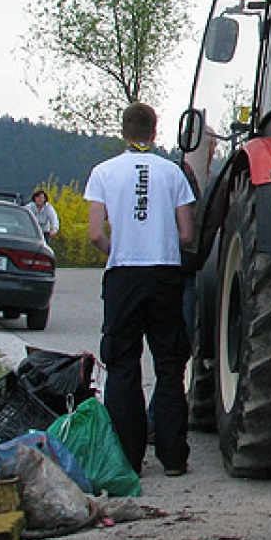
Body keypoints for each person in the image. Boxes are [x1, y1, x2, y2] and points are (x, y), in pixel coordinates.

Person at [85, 103, 196, 478]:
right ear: (154, 130)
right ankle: (173, 457)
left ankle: (129, 457)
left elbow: (96, 233)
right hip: (164, 274)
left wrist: (116, 250)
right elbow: (186, 234)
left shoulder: (103, 173)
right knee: (169, 364)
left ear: (123, 131)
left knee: (122, 365)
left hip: (123, 276)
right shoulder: (172, 173)